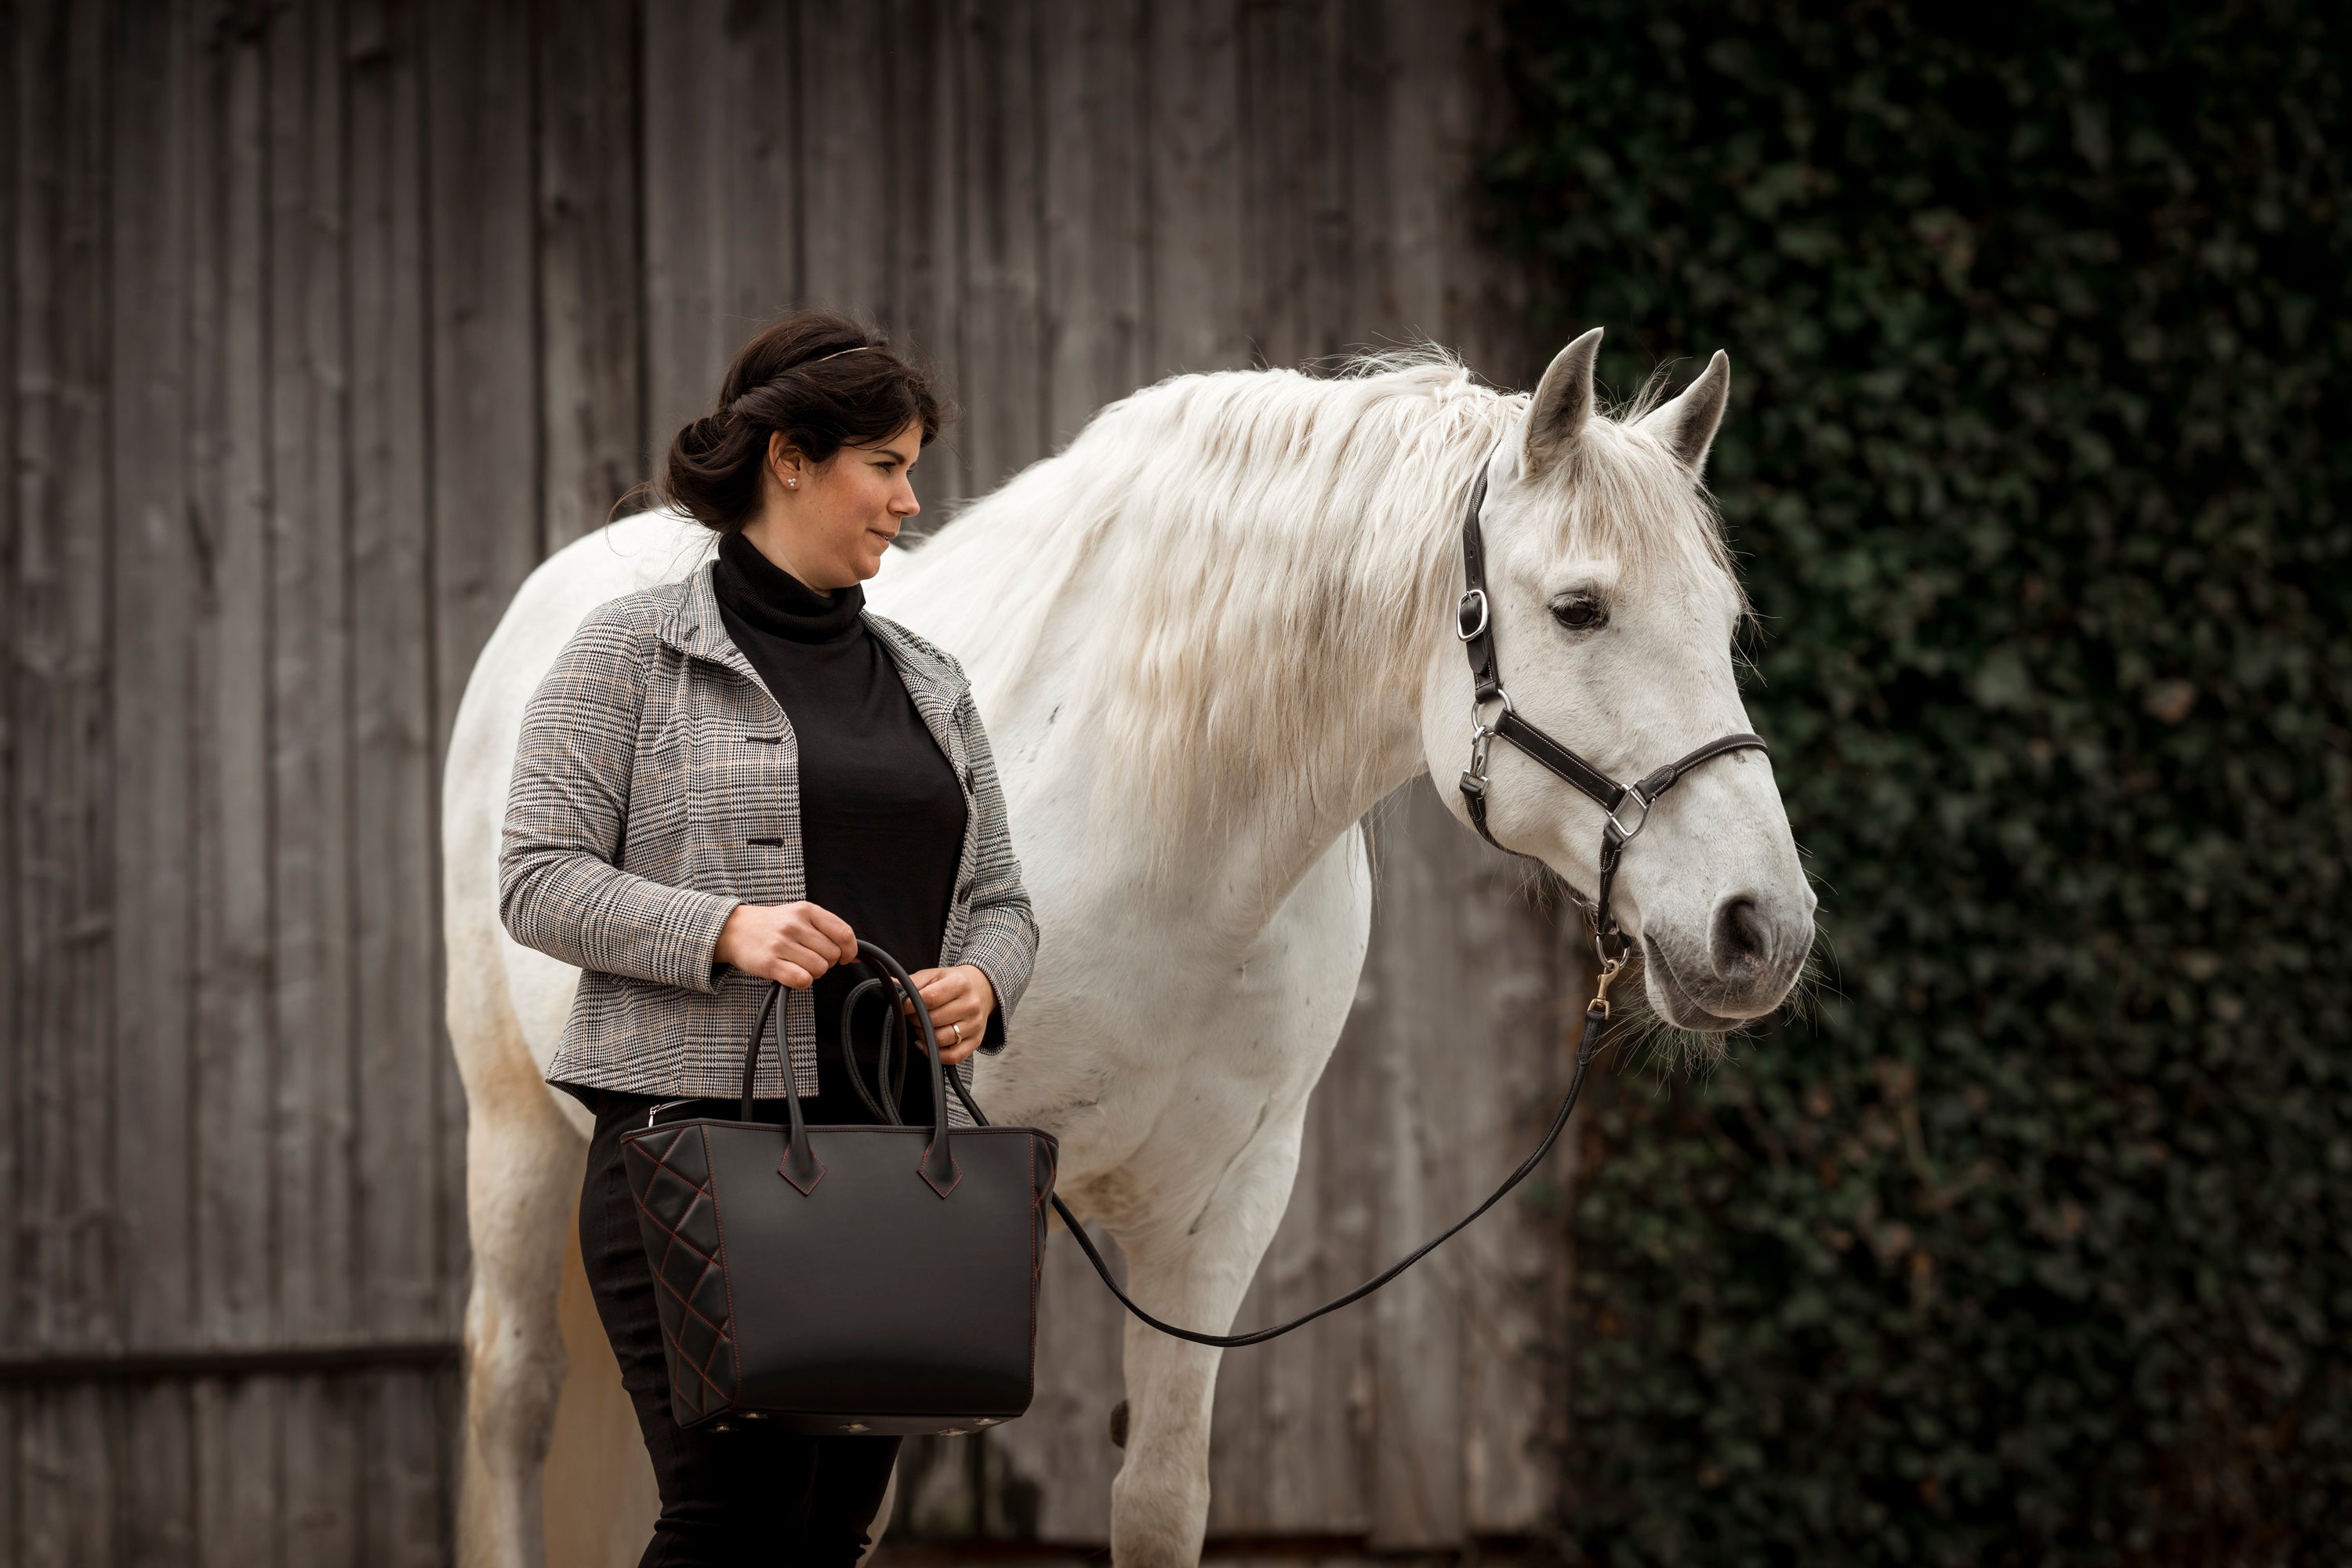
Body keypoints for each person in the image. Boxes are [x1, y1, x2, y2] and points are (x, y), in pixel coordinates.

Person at [497, 309, 1039, 1566]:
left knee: (834, 1530)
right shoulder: (628, 653)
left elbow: (1003, 898)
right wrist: (724, 927)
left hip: (897, 1167)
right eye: (888, 465)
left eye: (912, 468)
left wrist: (983, 983)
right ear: (790, 458)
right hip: (694, 1166)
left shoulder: (930, 680)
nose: (911, 501)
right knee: (732, 1525)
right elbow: (535, 880)